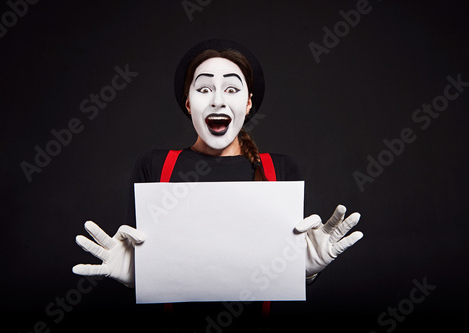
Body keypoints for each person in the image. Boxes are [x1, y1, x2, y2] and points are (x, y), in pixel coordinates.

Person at [72, 39, 363, 316]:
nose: (218, 101)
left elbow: (285, 278)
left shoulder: (282, 171)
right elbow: (142, 263)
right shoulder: (154, 166)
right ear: (189, 103)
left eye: (232, 90)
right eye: (205, 89)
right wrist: (134, 276)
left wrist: (308, 271)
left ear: (248, 103)